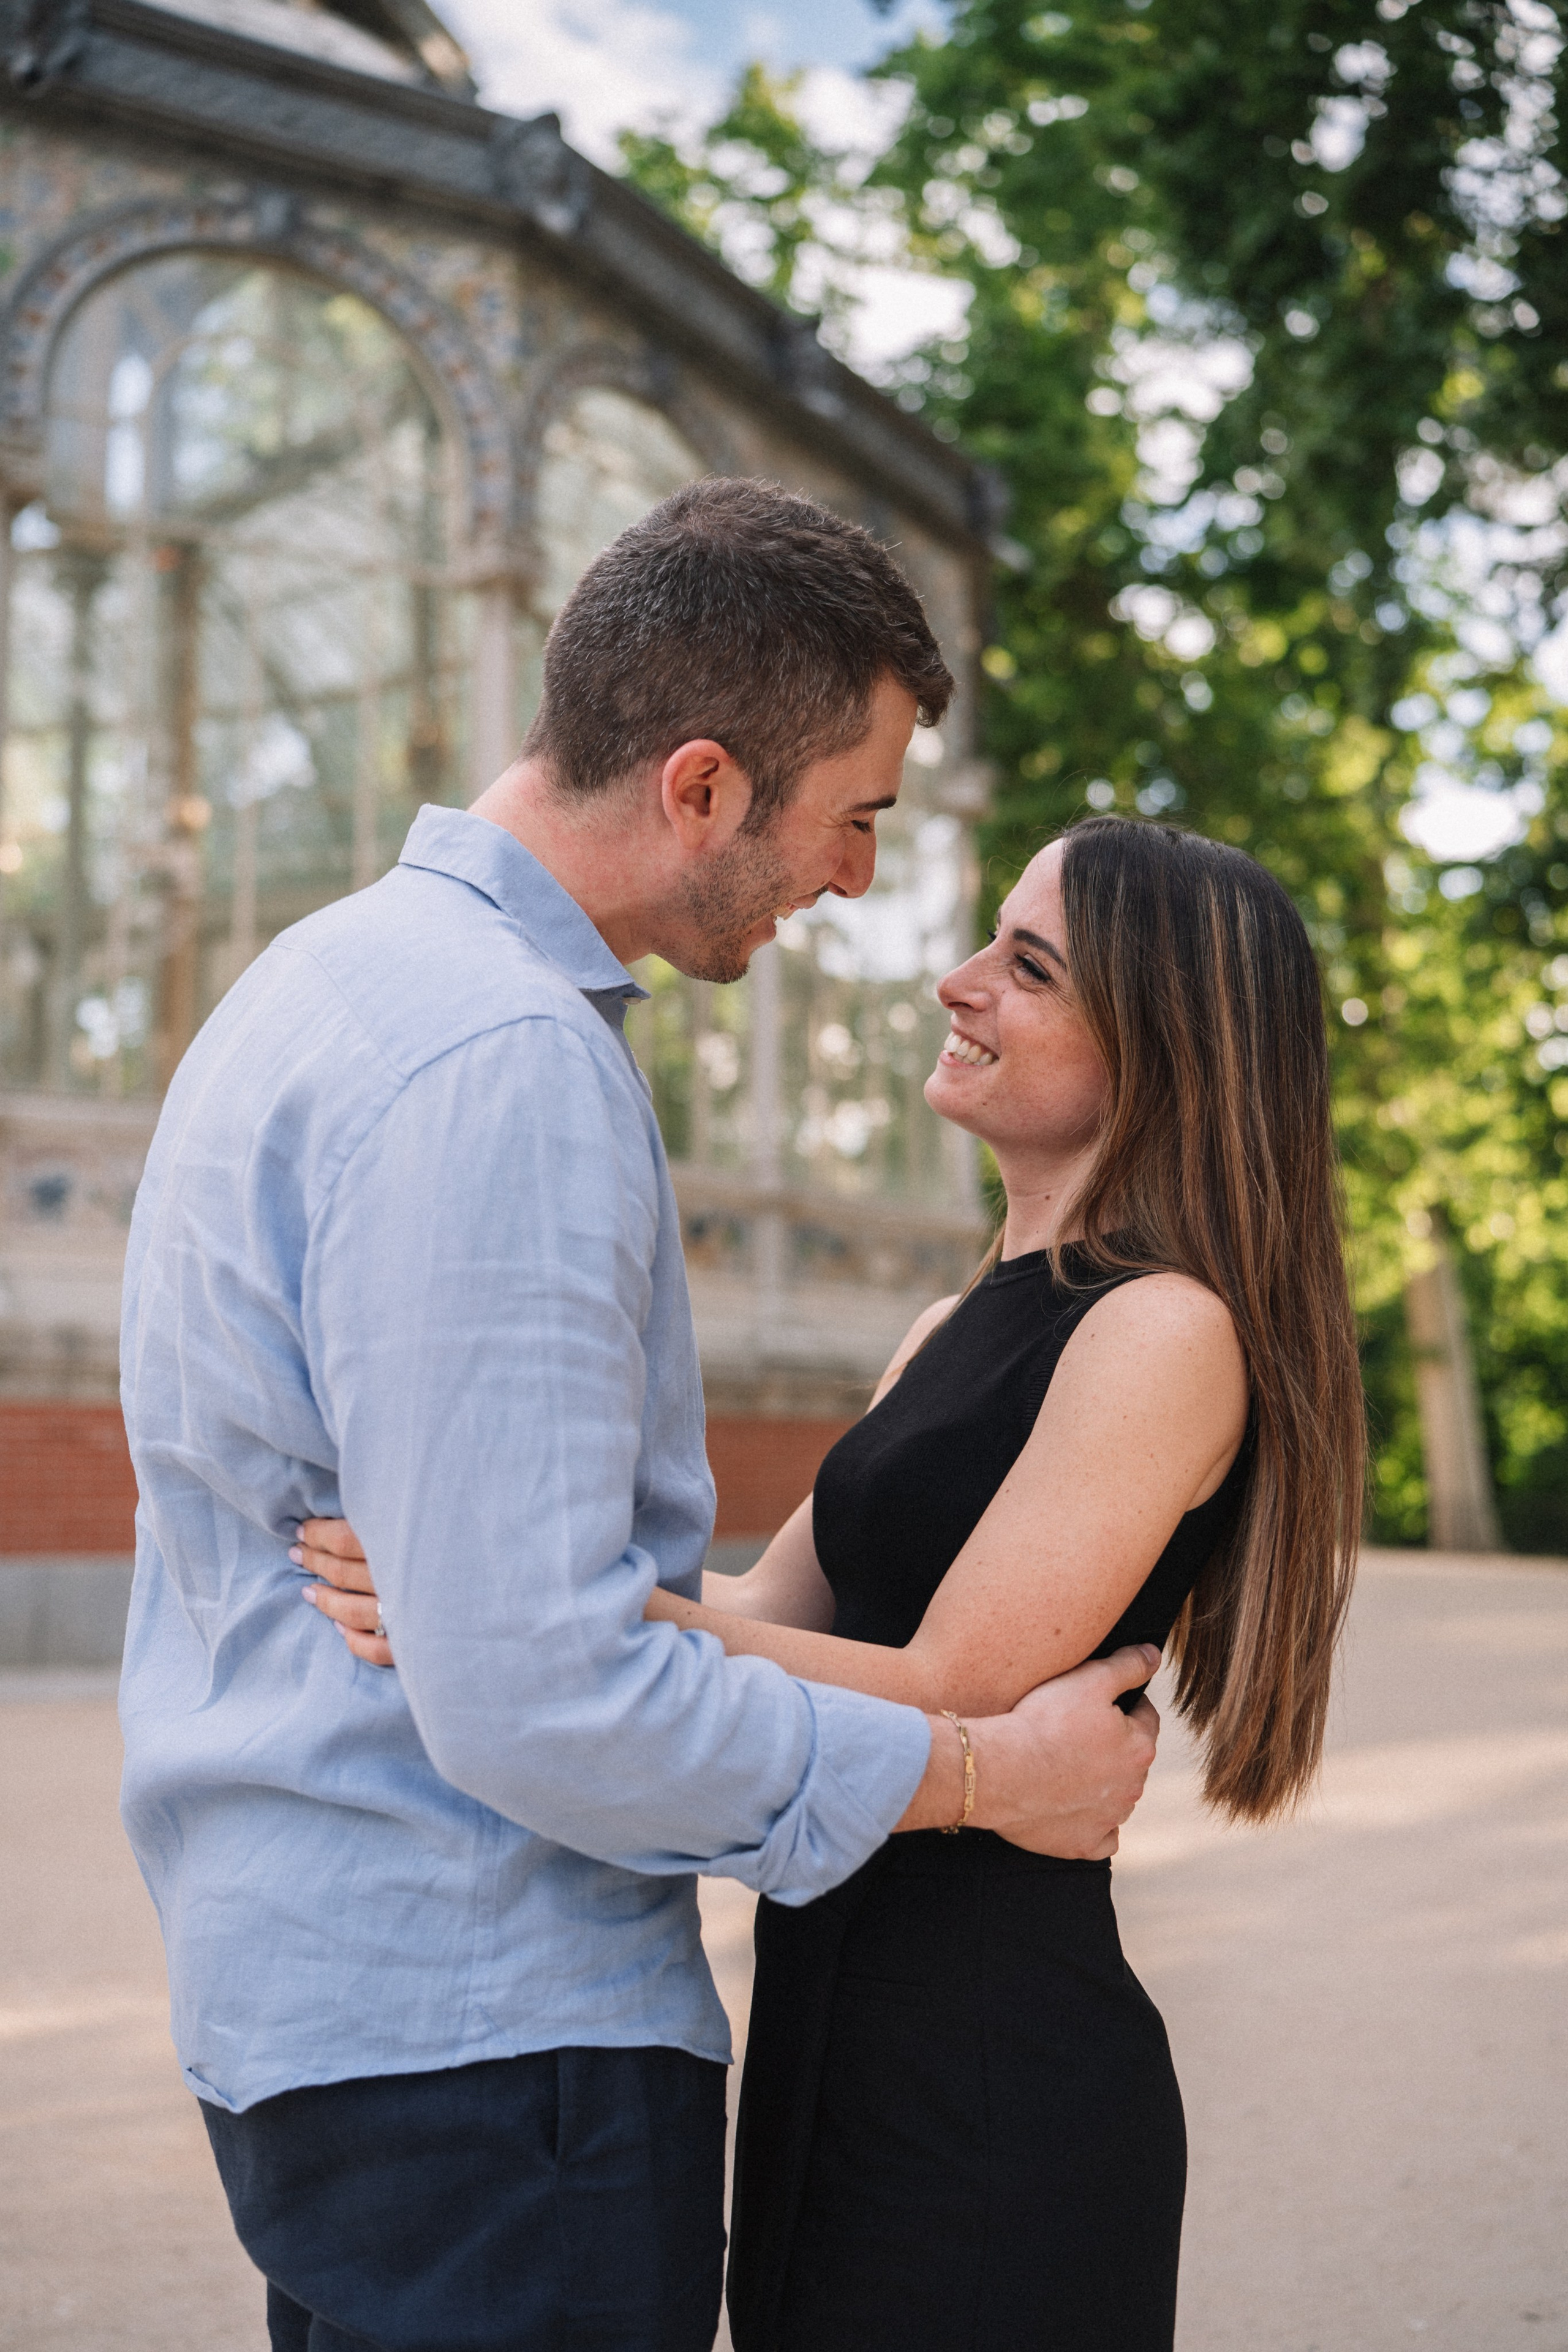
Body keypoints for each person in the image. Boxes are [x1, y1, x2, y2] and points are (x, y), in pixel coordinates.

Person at [118, 478, 1165, 2352]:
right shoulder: (501, 1060)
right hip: (486, 2036)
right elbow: (542, 1694)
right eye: (850, 821)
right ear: (699, 787)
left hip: (335, 2003)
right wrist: (983, 1781)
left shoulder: (332, 984)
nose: (855, 883)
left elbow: (524, 1636)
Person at [304, 815, 1365, 2350]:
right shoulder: (953, 1325)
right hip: (828, 2027)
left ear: (1162, 1042)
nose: (955, 981)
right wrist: (492, 1555)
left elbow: (954, 1693)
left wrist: (513, 1609)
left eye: (1027, 964)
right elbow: (756, 1617)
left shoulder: (1162, 1329)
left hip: (990, 2070)